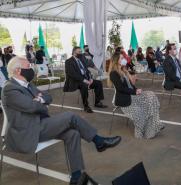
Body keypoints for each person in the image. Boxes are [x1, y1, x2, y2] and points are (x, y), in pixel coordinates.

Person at [2, 56, 121, 185]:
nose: (31, 69)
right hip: (27, 131)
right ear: (18, 71)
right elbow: (31, 107)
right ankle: (98, 141)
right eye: (28, 67)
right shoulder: (10, 88)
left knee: (73, 134)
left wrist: (40, 100)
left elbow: (48, 97)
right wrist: (40, 102)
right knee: (70, 116)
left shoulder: (28, 85)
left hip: (40, 125)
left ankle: (76, 177)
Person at [109, 52, 164, 139]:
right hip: (124, 99)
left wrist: (136, 89)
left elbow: (130, 85)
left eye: (123, 58)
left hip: (132, 95)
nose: (124, 59)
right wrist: (134, 92)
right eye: (121, 58)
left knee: (151, 96)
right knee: (140, 112)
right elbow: (121, 89)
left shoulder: (124, 70)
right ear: (116, 61)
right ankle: (142, 133)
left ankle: (155, 124)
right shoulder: (113, 73)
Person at [64, 47, 107, 113]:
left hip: (86, 79)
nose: (81, 53)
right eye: (79, 52)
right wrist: (84, 80)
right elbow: (72, 74)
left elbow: (86, 70)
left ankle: (97, 102)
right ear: (74, 52)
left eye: (81, 51)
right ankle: (86, 106)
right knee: (84, 85)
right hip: (75, 81)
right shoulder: (68, 61)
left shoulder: (81, 60)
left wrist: (90, 78)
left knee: (98, 83)